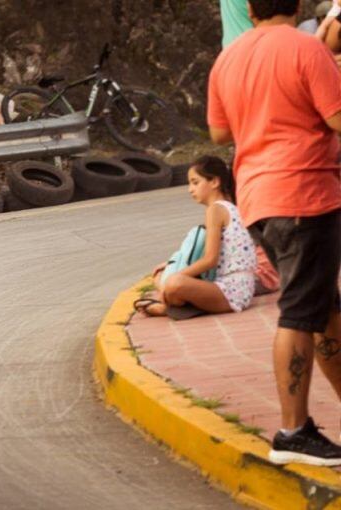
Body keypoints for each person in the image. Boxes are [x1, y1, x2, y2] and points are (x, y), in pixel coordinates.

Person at [208, 0, 341, 466]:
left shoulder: (229, 57)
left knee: (323, 308)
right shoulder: (306, 49)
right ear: (298, 3)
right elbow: (337, 118)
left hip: (259, 199)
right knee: (301, 313)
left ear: (249, 6)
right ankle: (292, 432)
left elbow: (219, 132)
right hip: (305, 194)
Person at [138, 156, 256, 318]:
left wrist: (175, 276)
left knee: (174, 283)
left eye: (195, 182)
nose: (190, 189)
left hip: (231, 291)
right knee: (162, 276)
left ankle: (168, 308)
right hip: (240, 288)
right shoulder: (230, 206)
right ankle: (176, 300)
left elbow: (210, 260)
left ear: (214, 182)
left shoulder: (215, 210)